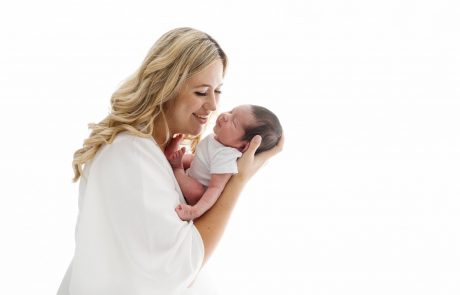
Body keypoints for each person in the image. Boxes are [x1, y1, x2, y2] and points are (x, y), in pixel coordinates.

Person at [57, 27, 283, 295]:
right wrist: (238, 181)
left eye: (218, 91)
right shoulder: (131, 155)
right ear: (166, 87)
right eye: (201, 92)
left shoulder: (156, 151)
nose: (213, 106)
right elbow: (179, 267)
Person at [168, 104, 282, 221]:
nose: (225, 116)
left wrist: (195, 211)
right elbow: (200, 160)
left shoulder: (226, 157)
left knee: (198, 192)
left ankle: (177, 169)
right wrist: (183, 157)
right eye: (231, 111)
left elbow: (215, 188)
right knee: (192, 159)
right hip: (192, 175)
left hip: (195, 195)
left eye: (234, 122)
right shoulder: (218, 140)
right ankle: (173, 158)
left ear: (243, 145)